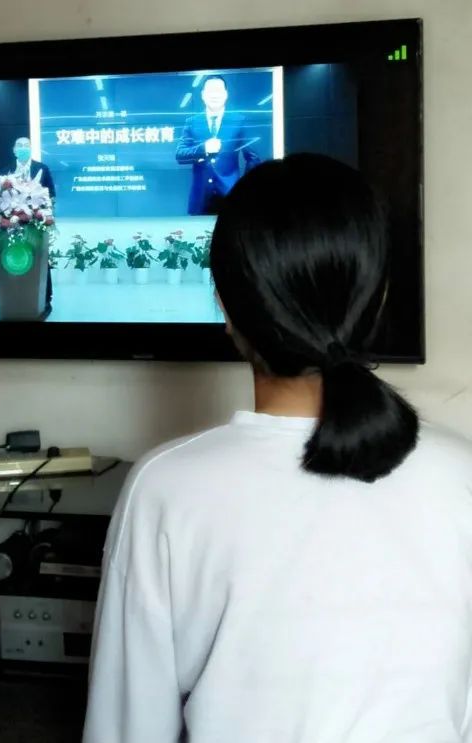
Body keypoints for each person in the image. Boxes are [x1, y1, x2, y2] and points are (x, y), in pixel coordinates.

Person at [82, 154, 472, 743]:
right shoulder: (461, 473)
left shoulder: (166, 487)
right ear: (380, 297)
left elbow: (127, 727)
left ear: (225, 304)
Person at [176, 75, 261, 215]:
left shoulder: (239, 120)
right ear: (203, 95)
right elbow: (180, 154)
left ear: (225, 94)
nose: (214, 95)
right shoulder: (192, 122)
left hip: (231, 195)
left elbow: (253, 158)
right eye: (210, 91)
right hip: (200, 197)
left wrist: (244, 188)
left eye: (218, 90)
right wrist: (203, 148)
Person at [9, 137, 56, 311]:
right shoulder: (6, 171)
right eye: (19, 145)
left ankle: (45, 298)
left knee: (40, 258)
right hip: (13, 223)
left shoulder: (42, 169)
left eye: (26, 145)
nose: (22, 148)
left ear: (31, 148)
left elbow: (52, 194)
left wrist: (42, 212)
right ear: (14, 150)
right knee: (17, 258)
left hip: (37, 222)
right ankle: (18, 297)